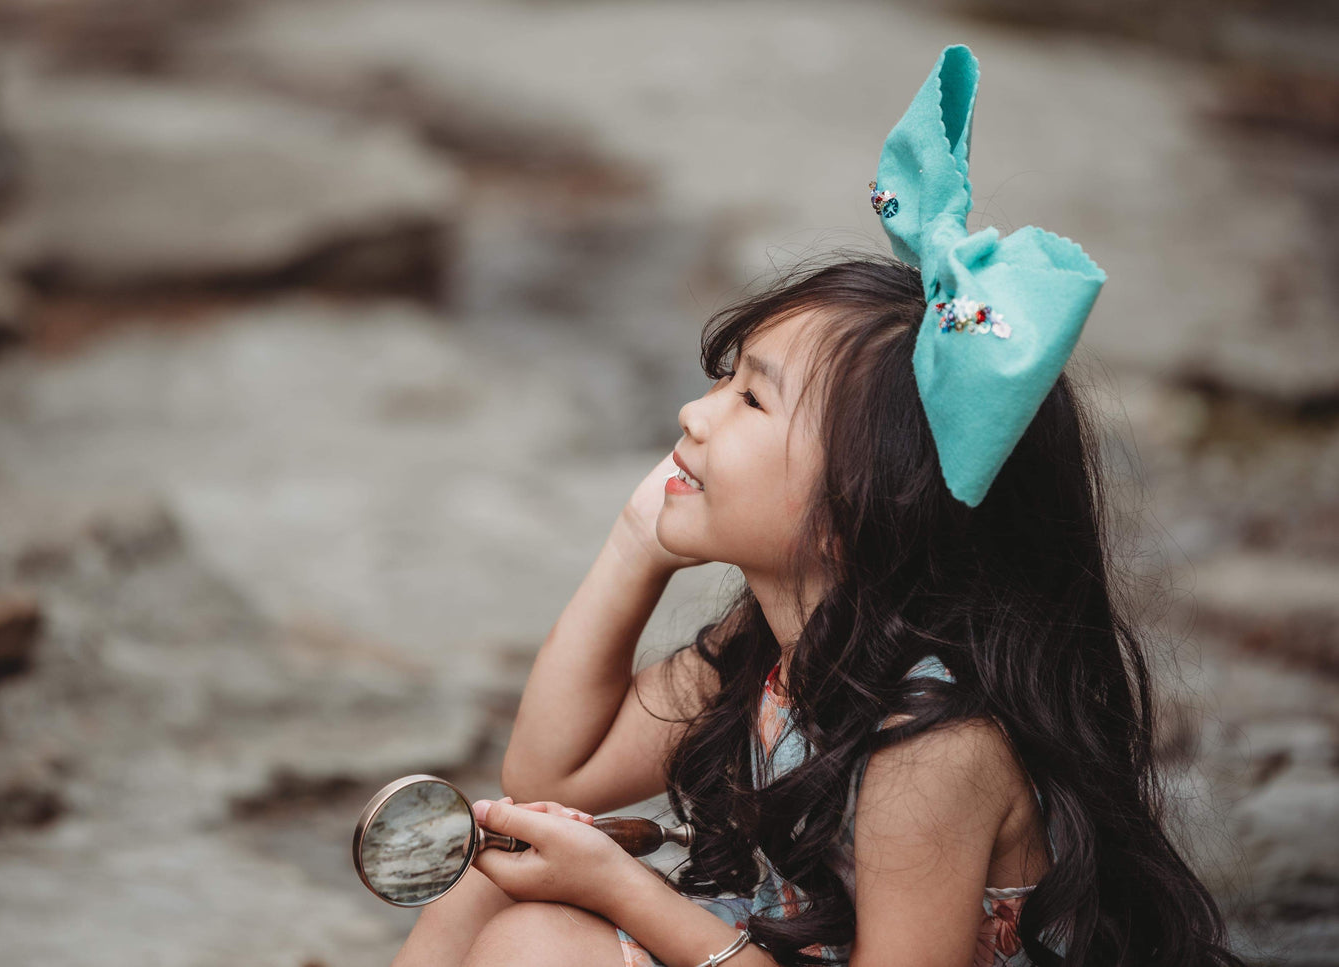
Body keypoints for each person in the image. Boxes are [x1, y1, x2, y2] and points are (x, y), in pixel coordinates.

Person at [391, 44, 1247, 967]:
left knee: (539, 942)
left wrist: (615, 887)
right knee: (487, 875)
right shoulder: (768, 651)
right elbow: (551, 773)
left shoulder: (932, 750)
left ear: (864, 502)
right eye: (723, 379)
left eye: (750, 399)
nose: (694, 412)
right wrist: (636, 543)